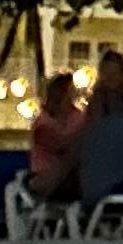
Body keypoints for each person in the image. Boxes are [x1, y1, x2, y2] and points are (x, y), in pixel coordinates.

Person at [26, 72, 86, 201]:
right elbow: (59, 147)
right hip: (46, 175)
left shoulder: (78, 117)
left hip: (73, 173)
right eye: (70, 89)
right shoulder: (43, 123)